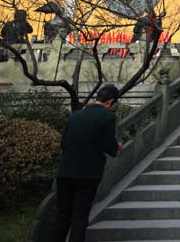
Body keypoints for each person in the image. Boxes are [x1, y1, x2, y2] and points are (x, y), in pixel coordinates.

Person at [47, 83, 121, 242]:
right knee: (79, 217)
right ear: (110, 102)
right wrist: (117, 146)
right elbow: (108, 145)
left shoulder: (75, 115)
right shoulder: (107, 117)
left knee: (62, 217)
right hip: (87, 174)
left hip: (65, 171)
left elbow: (64, 142)